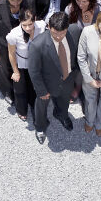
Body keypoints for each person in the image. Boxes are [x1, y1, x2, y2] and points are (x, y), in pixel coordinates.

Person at [28, 11, 82, 143]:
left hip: (68, 80)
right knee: (41, 106)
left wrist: (74, 75)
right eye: (55, 33)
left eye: (62, 33)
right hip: (47, 85)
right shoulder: (37, 45)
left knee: (64, 102)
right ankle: (40, 127)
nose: (58, 37)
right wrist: (41, 90)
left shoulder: (75, 31)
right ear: (48, 27)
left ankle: (61, 115)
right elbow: (34, 71)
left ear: (67, 28)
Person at [0, 0, 37, 104]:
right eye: (12, 1)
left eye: (19, 0)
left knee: (25, 68)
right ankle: (8, 91)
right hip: (6, 44)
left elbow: (32, 20)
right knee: (7, 69)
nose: (16, 4)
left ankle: (27, 93)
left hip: (25, 42)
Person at [6, 9, 47, 120]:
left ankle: (34, 106)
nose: (28, 28)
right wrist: (15, 71)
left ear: (35, 19)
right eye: (24, 25)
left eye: (30, 24)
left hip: (37, 64)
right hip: (22, 64)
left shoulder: (41, 26)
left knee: (35, 88)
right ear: (20, 22)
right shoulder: (14, 35)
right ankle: (21, 109)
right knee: (20, 89)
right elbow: (11, 53)